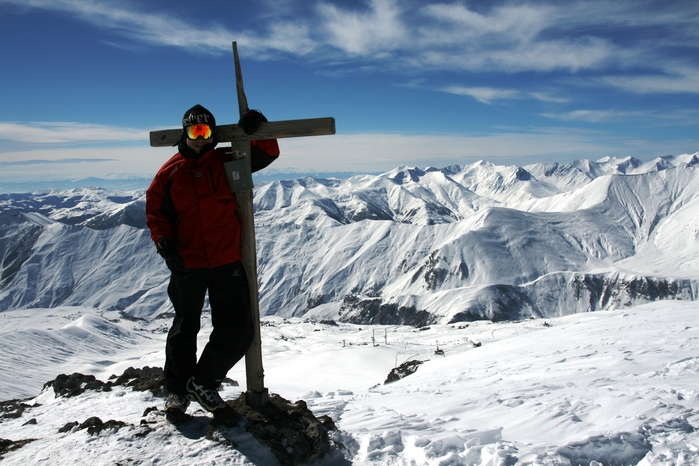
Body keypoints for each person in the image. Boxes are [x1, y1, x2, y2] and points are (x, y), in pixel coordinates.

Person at [146, 104, 279, 422]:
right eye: (194, 131)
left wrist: (256, 126)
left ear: (214, 134)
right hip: (187, 261)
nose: (200, 138)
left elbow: (266, 153)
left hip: (226, 259)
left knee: (238, 329)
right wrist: (163, 241)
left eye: (206, 131)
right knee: (185, 327)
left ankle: (202, 382)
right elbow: (156, 213)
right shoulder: (170, 172)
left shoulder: (229, 161)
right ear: (185, 132)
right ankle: (178, 393)